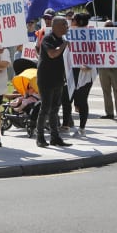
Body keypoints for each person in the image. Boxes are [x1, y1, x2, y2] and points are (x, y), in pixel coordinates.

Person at [35, 15, 71, 148]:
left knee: (55, 109)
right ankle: (40, 138)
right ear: (55, 26)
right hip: (46, 79)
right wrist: (64, 45)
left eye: (66, 25)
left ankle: (55, 137)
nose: (66, 27)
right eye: (64, 25)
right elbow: (52, 54)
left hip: (58, 79)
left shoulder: (61, 39)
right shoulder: (47, 39)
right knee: (45, 108)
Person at [69, 12, 95, 136]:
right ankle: (67, 124)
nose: (70, 21)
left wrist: (89, 65)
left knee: (82, 100)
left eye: (72, 19)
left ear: (78, 22)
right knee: (70, 99)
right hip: (72, 71)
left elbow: (98, 51)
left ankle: (82, 128)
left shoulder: (91, 35)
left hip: (86, 72)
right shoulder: (69, 34)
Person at [97, 20, 117, 121]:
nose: (109, 27)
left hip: (116, 68)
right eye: (107, 26)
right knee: (106, 91)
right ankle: (109, 113)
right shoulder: (100, 37)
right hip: (103, 68)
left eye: (111, 26)